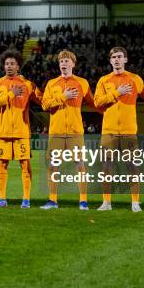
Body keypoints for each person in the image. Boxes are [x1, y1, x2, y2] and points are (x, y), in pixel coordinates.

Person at [94, 46, 144, 212]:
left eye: (120, 57)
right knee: (107, 167)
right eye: (114, 57)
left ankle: (135, 202)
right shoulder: (103, 80)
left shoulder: (135, 79)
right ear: (110, 60)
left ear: (125, 59)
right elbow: (97, 102)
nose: (117, 60)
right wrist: (116, 93)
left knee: (133, 167)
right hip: (109, 131)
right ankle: (106, 203)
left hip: (128, 131)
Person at [40, 49, 99, 210]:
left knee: (80, 165)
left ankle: (83, 201)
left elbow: (93, 103)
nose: (64, 64)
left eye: (67, 61)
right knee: (53, 166)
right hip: (56, 132)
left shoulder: (82, 83)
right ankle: (52, 200)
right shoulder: (52, 84)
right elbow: (44, 105)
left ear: (73, 64)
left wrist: (107, 111)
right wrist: (62, 97)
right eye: (61, 61)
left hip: (75, 132)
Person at [0, 50, 42, 208]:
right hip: (3, 132)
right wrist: (11, 94)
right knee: (2, 164)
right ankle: (2, 199)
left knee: (25, 164)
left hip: (21, 131)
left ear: (18, 66)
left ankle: (26, 199)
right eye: (7, 64)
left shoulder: (28, 84)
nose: (9, 66)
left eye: (12, 64)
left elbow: (42, 100)